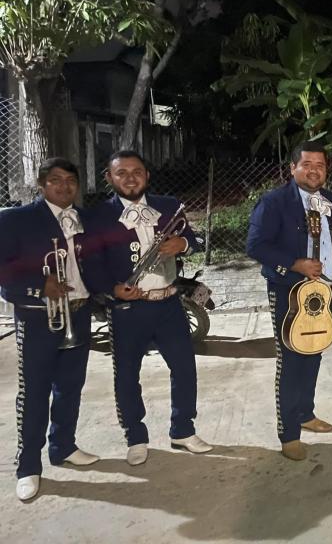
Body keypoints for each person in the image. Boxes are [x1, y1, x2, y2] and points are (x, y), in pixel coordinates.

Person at [87, 150, 212, 467]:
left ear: (147, 175)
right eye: (121, 173)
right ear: (109, 178)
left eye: (137, 171)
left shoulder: (168, 205)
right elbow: (90, 263)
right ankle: (135, 437)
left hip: (170, 303)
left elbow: (194, 239)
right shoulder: (98, 215)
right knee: (127, 375)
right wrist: (112, 289)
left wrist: (181, 244)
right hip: (129, 308)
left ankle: (183, 430)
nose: (130, 178)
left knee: (184, 368)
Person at [247, 141, 332, 461]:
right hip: (289, 292)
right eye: (307, 164)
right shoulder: (274, 202)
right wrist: (295, 264)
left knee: (314, 351)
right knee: (291, 359)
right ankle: (288, 434)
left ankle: (306, 414)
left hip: (325, 293)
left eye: (320, 165)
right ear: (292, 168)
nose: (314, 170)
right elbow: (255, 246)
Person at [0, 158, 99, 501]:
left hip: (80, 311)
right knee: (35, 392)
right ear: (42, 185)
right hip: (37, 317)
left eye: (71, 180)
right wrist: (39, 284)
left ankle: (64, 446)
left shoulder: (85, 218)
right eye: (55, 180)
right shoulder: (15, 219)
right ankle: (28, 466)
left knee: (71, 386)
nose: (64, 186)